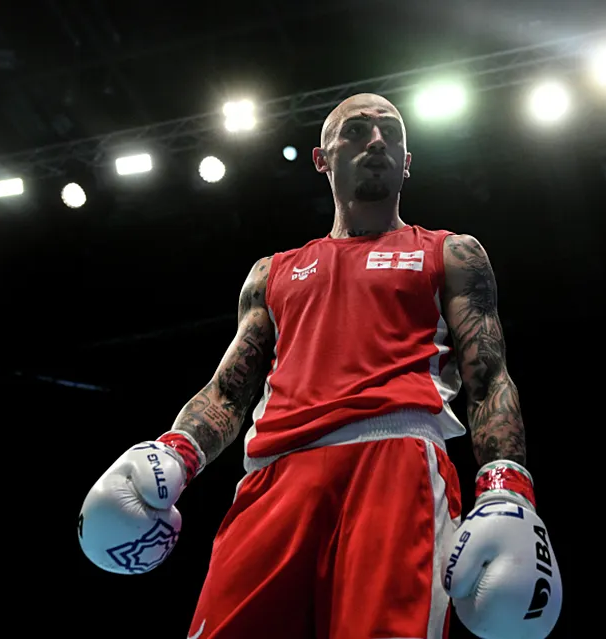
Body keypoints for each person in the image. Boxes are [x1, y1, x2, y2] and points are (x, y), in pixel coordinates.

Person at [77, 93, 562, 639]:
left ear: (406, 162)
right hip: (272, 479)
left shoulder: (451, 253)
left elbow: (489, 378)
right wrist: (174, 452)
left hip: (395, 465)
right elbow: (229, 392)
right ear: (321, 158)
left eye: (391, 133)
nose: (376, 140)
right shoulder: (272, 272)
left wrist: (506, 488)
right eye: (357, 130)